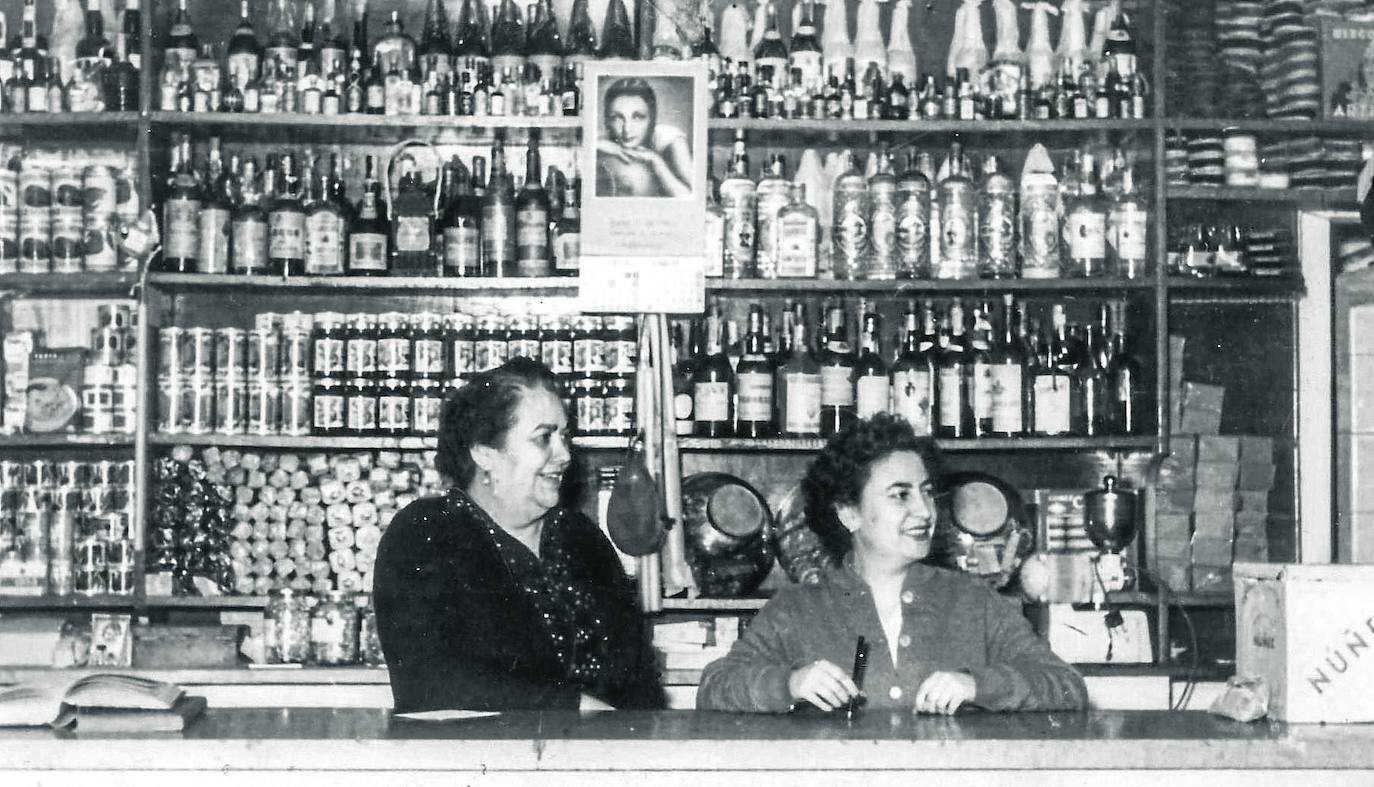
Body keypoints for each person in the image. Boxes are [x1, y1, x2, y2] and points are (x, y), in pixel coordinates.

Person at [696, 414, 1088, 715]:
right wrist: (789, 683)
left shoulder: (973, 600)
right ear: (849, 514)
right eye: (900, 495)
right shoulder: (798, 608)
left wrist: (978, 685)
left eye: (927, 493)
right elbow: (714, 688)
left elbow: (1067, 686)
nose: (924, 511)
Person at [373, 358, 661, 712]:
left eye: (564, 436)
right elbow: (431, 682)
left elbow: (639, 677)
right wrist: (574, 707)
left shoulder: (581, 537)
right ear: (485, 453)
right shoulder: (426, 533)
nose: (565, 455)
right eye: (544, 438)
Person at [595, 77, 693, 198]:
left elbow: (694, 199)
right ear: (608, 121)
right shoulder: (602, 141)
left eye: (637, 117)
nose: (627, 129)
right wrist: (593, 144)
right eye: (617, 118)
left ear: (652, 118)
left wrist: (656, 161)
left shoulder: (670, 138)